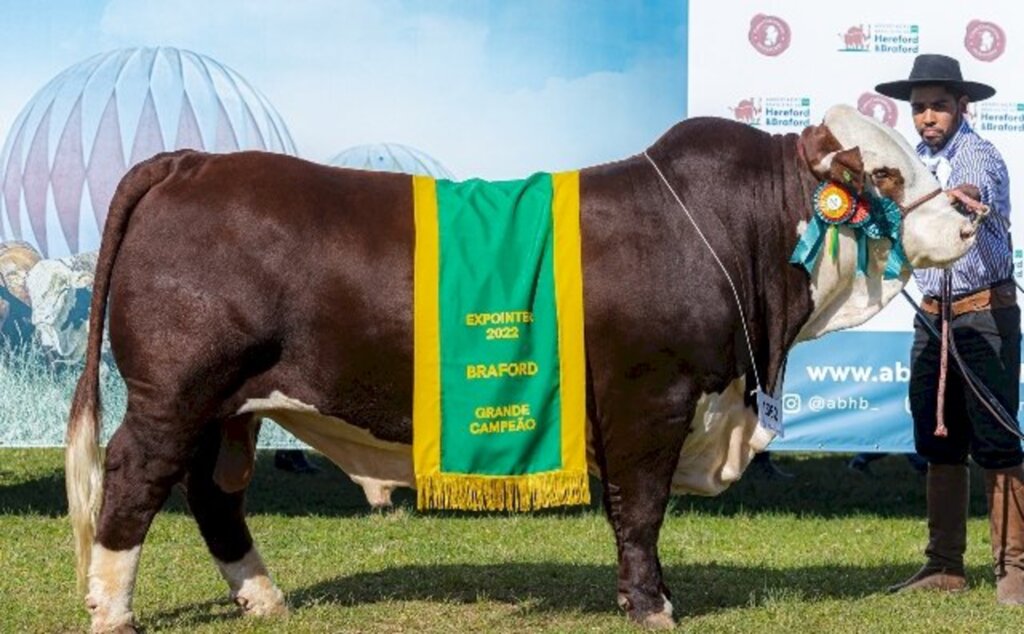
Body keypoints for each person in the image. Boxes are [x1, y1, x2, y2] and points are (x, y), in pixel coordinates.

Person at [875, 53, 1024, 604]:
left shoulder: (981, 154)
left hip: (984, 313)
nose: (927, 117)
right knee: (938, 440)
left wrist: (954, 198)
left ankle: (1014, 569)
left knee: (998, 441)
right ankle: (945, 566)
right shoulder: (911, 162)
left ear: (963, 107)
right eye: (918, 109)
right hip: (933, 317)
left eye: (938, 106)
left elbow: (973, 191)